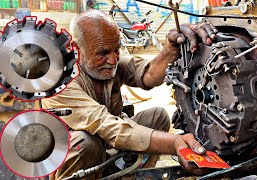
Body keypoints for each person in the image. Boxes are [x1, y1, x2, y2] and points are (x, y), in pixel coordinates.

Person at [42, 9, 217, 179]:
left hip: (108, 148)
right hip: (79, 158)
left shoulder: (110, 61)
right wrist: (174, 143)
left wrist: (171, 49)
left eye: (116, 50)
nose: (113, 60)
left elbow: (147, 75)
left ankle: (131, 177)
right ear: (76, 49)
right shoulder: (58, 80)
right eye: (103, 53)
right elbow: (107, 125)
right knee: (85, 143)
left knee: (158, 117)